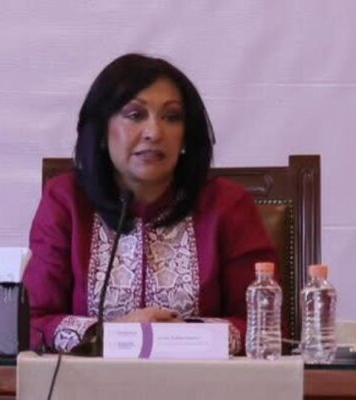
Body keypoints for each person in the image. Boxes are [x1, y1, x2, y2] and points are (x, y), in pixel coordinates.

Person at [23, 53, 278, 355]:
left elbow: (268, 328)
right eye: (135, 115)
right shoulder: (66, 200)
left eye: (171, 117)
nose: (154, 133)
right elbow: (31, 323)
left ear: (186, 136)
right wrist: (113, 335)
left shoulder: (227, 205)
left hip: (201, 380)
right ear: (102, 132)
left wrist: (184, 338)